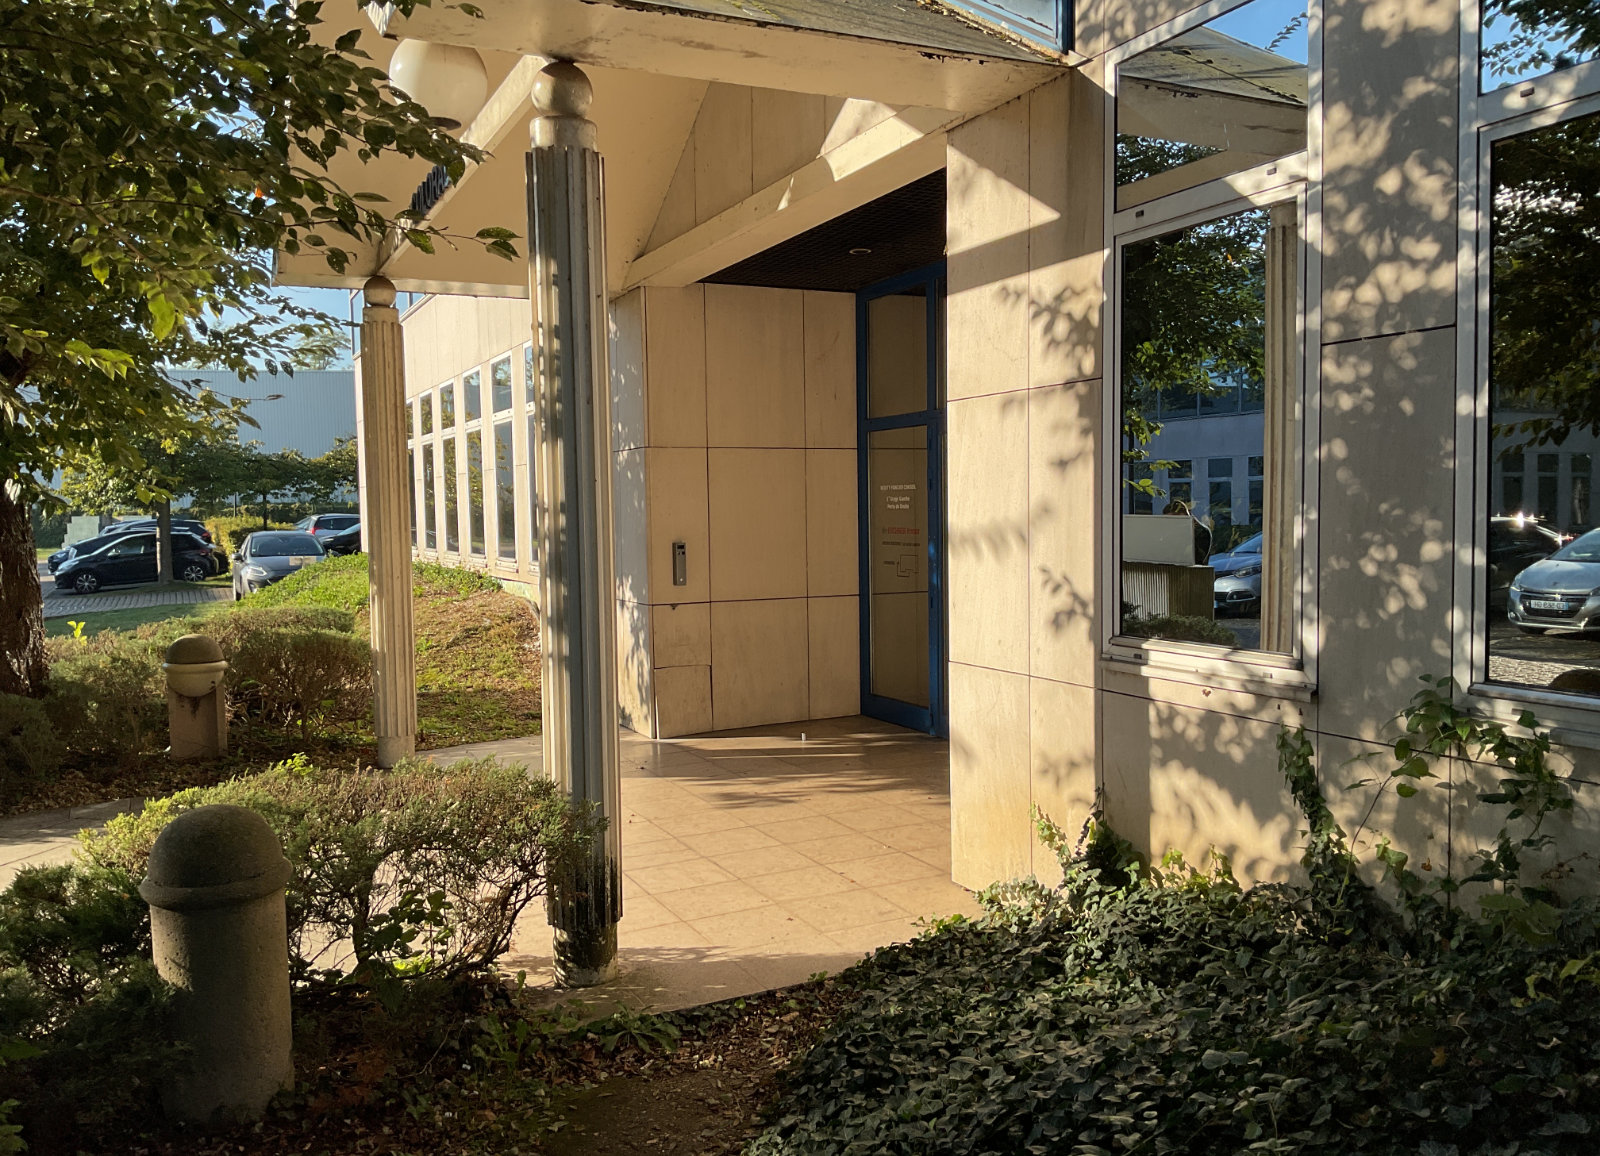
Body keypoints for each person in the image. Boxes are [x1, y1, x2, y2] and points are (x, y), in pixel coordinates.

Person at [1162, 499, 1212, 564]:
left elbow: (1197, 559)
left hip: (1194, 571)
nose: (1173, 524)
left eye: (1176, 520)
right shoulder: (1172, 531)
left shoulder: (1201, 531)